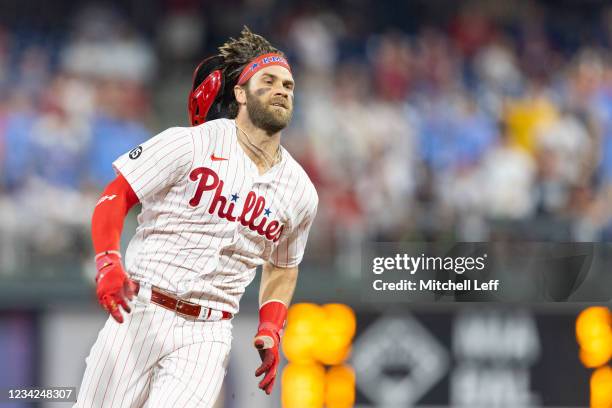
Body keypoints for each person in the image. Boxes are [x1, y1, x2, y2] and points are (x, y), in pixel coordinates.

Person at [75, 27, 318, 407]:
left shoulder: (300, 190)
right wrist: (108, 260)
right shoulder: (192, 142)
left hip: (209, 332)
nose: (282, 89)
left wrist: (271, 326)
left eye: (288, 84)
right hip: (142, 311)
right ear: (240, 93)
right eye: (268, 81)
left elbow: (284, 266)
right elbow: (115, 194)